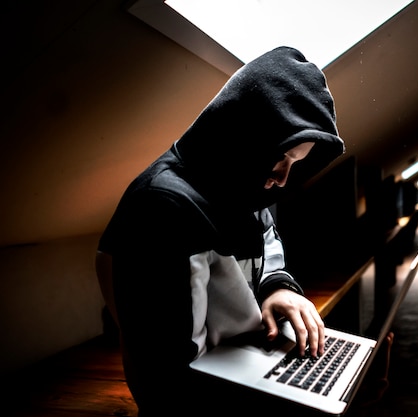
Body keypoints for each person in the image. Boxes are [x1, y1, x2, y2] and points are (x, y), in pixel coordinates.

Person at [95, 46, 345, 416]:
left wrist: (277, 287)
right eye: (280, 156)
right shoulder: (162, 208)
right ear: (245, 133)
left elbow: (268, 243)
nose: (281, 177)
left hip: (246, 368)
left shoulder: (248, 183)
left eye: (295, 163)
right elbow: (170, 382)